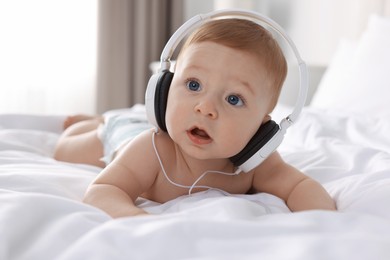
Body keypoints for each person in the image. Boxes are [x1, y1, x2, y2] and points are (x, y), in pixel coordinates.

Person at [54, 18, 337, 218]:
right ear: (165, 88)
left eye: (233, 99)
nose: (205, 108)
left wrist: (324, 220)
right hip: (123, 136)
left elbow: (300, 186)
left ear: (263, 128)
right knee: (66, 149)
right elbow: (104, 189)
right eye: (193, 85)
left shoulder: (254, 164)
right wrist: (135, 220)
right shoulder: (151, 149)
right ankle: (98, 122)